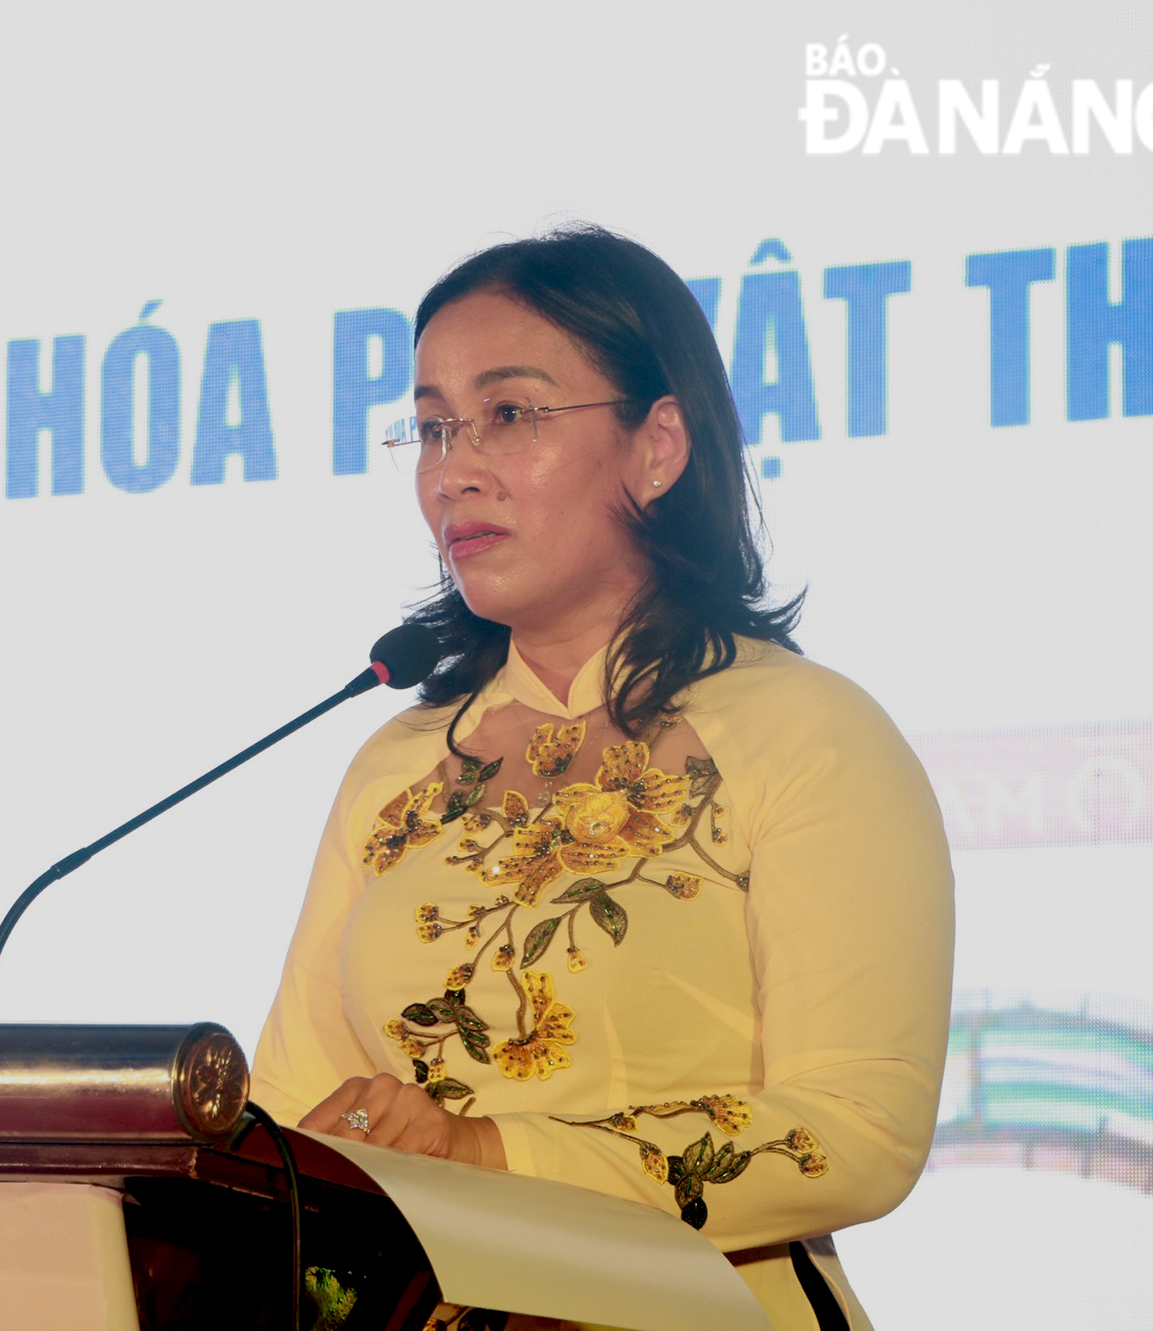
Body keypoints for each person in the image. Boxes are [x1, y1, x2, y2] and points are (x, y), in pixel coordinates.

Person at [249, 225, 953, 1331]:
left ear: (657, 442)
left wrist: (488, 1152)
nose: (453, 467)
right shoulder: (395, 768)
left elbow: (853, 1128)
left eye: (509, 413)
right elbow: (288, 1118)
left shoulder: (803, 731)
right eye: (431, 426)